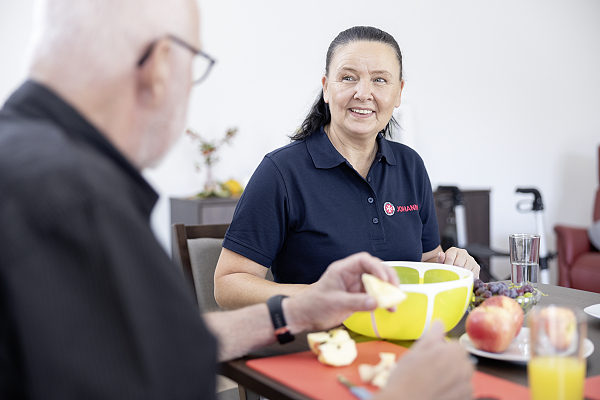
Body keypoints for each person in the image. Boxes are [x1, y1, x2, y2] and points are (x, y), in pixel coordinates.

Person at [0, 2, 473, 399]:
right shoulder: (68, 198)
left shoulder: (32, 164)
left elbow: (165, 346)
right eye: (195, 69)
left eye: (380, 81)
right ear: (164, 66)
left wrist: (304, 309)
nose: (364, 94)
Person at [215, 26, 480, 309]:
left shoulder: (410, 165)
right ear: (327, 87)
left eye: (380, 80)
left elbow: (426, 261)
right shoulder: (280, 172)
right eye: (348, 78)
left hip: (401, 337)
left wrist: (454, 266)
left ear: (399, 92)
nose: (363, 93)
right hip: (320, 343)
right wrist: (315, 297)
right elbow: (228, 285)